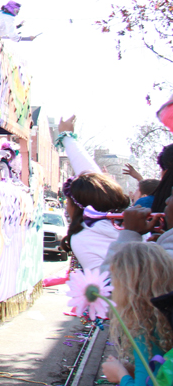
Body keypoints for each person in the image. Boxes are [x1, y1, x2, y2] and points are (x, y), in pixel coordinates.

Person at [101, 243, 173, 386]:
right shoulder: (166, 317)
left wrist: (120, 375)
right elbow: (161, 376)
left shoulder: (145, 330)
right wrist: (133, 370)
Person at [56, 116, 133, 272]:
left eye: (68, 201)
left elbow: (106, 287)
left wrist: (67, 137)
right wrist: (68, 138)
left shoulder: (85, 237)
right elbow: (97, 186)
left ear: (78, 206)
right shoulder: (125, 227)